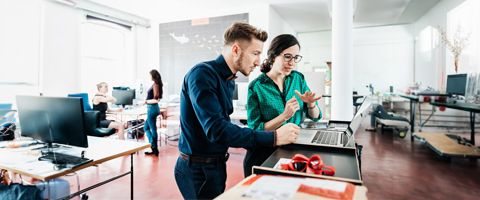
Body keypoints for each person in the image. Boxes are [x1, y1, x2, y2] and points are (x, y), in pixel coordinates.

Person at [174, 22, 300, 199]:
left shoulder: (229, 79)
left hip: (215, 165)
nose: (258, 61)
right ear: (235, 49)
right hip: (197, 170)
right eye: (255, 53)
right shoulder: (202, 74)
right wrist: (274, 137)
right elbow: (216, 129)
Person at [243, 34, 323, 177]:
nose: (292, 63)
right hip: (264, 154)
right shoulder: (256, 87)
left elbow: (316, 117)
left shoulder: (297, 78)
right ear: (273, 56)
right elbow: (255, 129)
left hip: (293, 151)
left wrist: (311, 104)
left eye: (296, 57)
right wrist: (284, 116)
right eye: (287, 56)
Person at [143, 69, 163, 156]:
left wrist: (146, 101)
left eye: (150, 75)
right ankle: (153, 147)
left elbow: (156, 100)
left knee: (152, 129)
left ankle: (154, 147)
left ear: (153, 76)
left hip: (152, 108)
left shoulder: (155, 85)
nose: (149, 76)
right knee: (146, 128)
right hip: (153, 109)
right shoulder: (156, 84)